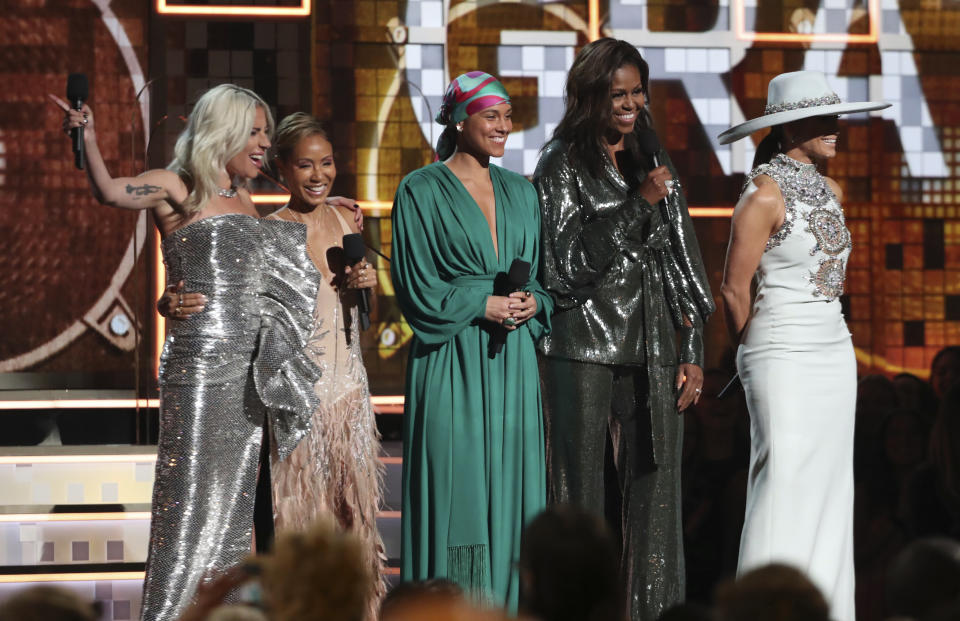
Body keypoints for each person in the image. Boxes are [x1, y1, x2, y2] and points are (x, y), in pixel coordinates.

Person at [52, 84, 323, 621]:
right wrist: (89, 137)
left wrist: (328, 204)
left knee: (230, 514)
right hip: (200, 372)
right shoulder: (176, 185)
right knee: (190, 507)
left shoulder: (246, 198)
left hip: (249, 377)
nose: (265, 142)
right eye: (254, 130)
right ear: (222, 129)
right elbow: (110, 192)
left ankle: (219, 613)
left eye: (266, 131)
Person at [160, 112, 386, 618]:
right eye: (304, 165)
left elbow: (364, 314)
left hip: (350, 395)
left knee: (357, 528)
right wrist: (168, 303)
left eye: (326, 164)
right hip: (298, 407)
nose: (317, 175)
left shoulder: (348, 219)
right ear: (282, 169)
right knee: (302, 529)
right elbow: (230, 305)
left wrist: (367, 284)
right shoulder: (267, 232)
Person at [533, 38, 714, 620]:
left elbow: (684, 260)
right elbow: (563, 265)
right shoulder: (561, 162)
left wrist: (692, 347)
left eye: (638, 93)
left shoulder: (651, 160)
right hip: (580, 344)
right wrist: (636, 203)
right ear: (590, 97)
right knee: (579, 503)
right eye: (618, 94)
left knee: (657, 500)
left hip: (656, 348)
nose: (631, 104)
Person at [717, 70, 890, 621]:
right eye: (825, 118)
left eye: (837, 115)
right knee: (783, 483)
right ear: (790, 126)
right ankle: (761, 610)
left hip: (832, 353)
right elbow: (732, 289)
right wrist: (755, 351)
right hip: (778, 355)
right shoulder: (762, 194)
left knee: (830, 490)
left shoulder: (832, 189)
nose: (838, 127)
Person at [390, 71, 553, 611]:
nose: (503, 126)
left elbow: (544, 284)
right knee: (454, 483)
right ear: (460, 122)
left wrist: (535, 304)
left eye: (508, 115)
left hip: (513, 362)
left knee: (512, 494)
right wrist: (480, 304)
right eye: (491, 116)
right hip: (451, 356)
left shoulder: (522, 191)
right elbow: (414, 287)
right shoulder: (420, 189)